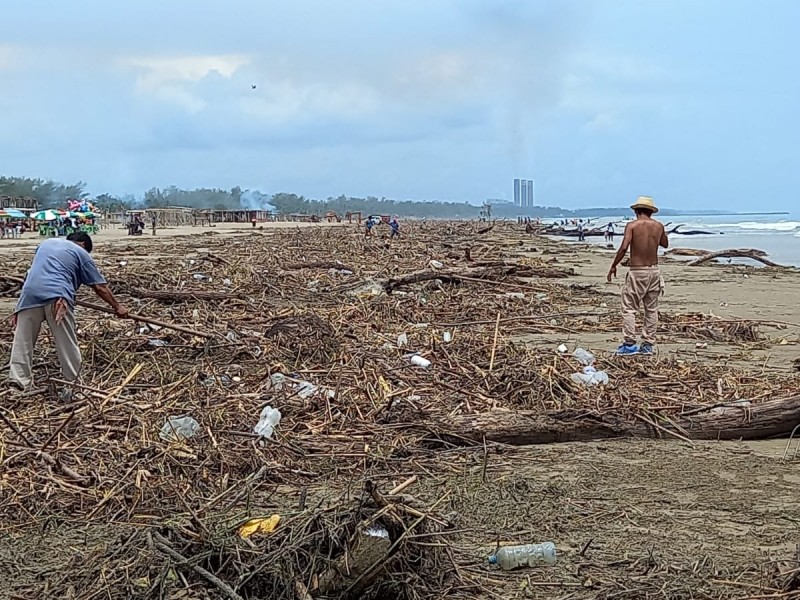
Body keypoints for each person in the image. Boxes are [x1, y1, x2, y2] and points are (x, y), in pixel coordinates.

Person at [8, 232, 129, 394]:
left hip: (29, 295)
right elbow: (100, 287)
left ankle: (18, 384)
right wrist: (117, 307)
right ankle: (73, 386)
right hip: (58, 299)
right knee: (66, 343)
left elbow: (39, 270)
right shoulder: (81, 253)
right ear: (83, 245)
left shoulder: (46, 244)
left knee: (23, 342)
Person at [606, 196, 668, 355]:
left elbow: (624, 247)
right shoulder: (658, 226)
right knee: (651, 309)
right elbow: (665, 244)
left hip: (637, 271)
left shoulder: (632, 226)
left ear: (636, 211)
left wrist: (614, 265)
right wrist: (656, 233)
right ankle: (647, 344)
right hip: (654, 270)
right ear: (651, 212)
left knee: (629, 308)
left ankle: (629, 344)